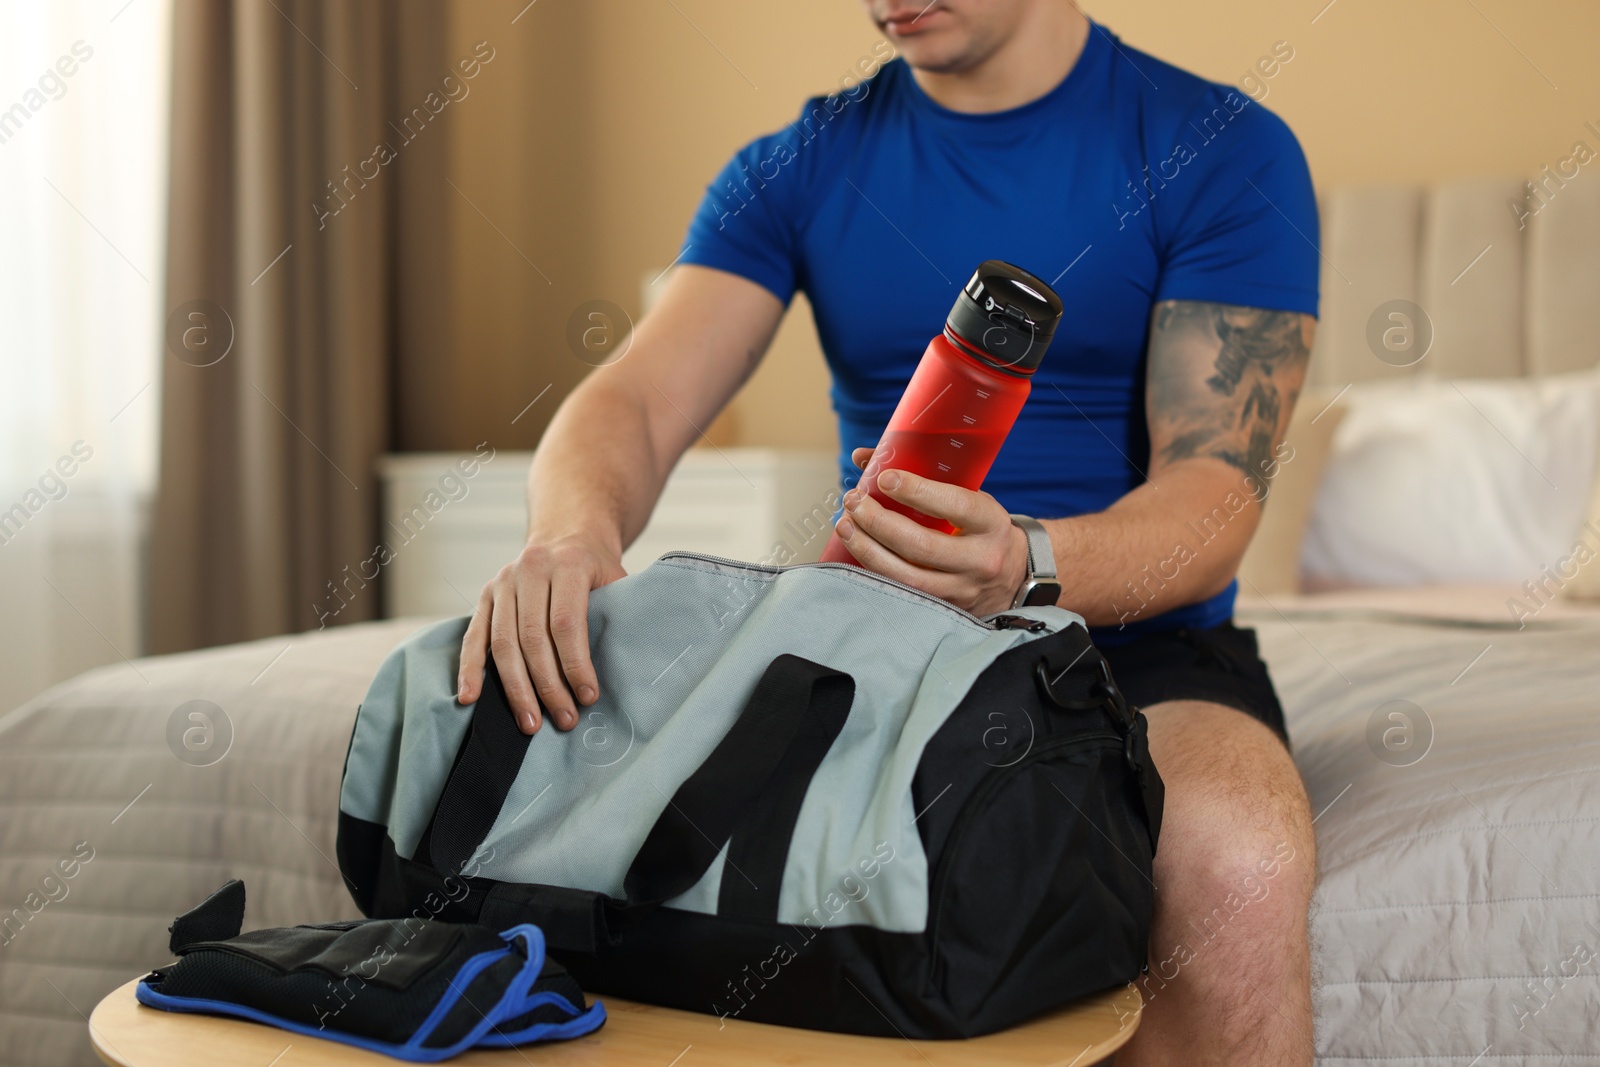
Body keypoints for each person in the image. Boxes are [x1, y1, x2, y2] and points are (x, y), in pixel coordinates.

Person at [457, 1, 1319, 1062]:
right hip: (871, 643)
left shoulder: (1220, 148)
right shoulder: (797, 166)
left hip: (1136, 650)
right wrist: (569, 532)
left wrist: (1026, 565)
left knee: (1239, 855)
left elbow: (1215, 494)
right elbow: (632, 398)